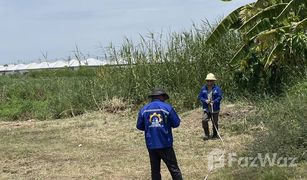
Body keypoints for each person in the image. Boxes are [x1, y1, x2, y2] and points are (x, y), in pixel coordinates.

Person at [136, 88, 183, 180]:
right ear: (161, 96)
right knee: (174, 169)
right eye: (164, 97)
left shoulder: (144, 109)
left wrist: (150, 127)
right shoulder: (167, 108)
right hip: (165, 143)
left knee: (155, 170)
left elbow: (139, 126)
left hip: (151, 145)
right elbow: (176, 123)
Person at [198, 73, 223, 140]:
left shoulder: (217, 89)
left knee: (214, 122)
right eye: (208, 80)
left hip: (215, 109)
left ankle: (215, 135)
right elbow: (200, 97)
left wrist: (214, 102)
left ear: (213, 81)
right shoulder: (203, 88)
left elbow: (220, 97)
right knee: (204, 120)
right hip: (206, 109)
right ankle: (207, 135)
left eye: (210, 80)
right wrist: (205, 101)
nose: (209, 82)